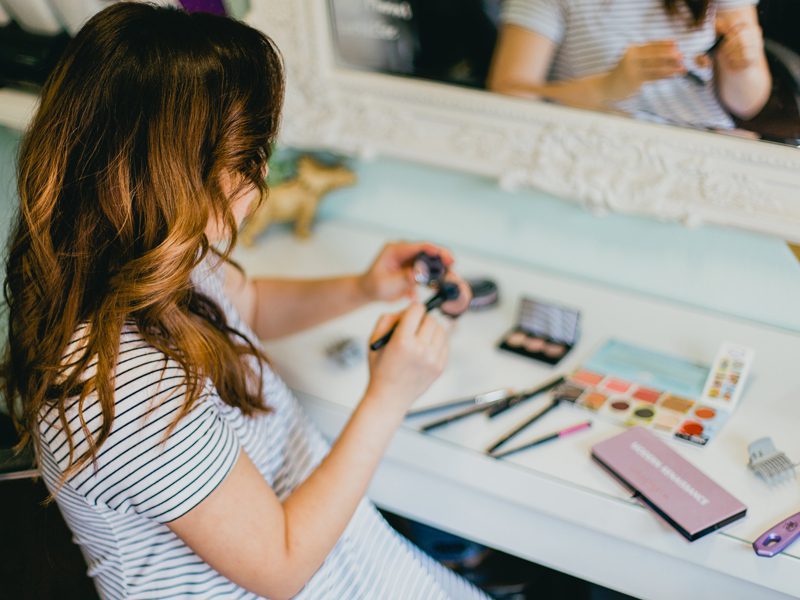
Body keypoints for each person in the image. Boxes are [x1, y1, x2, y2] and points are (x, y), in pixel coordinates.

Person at [1, 4, 487, 599]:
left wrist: (362, 288)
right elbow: (280, 567)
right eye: (251, 159)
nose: (259, 184)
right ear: (182, 177)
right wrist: (388, 397)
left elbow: (247, 304)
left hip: (346, 558)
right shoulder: (121, 389)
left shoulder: (153, 259)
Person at [487, 0, 772, 130]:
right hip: (597, 146)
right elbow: (510, 92)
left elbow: (748, 105)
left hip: (708, 150)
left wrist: (742, 64)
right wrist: (607, 87)